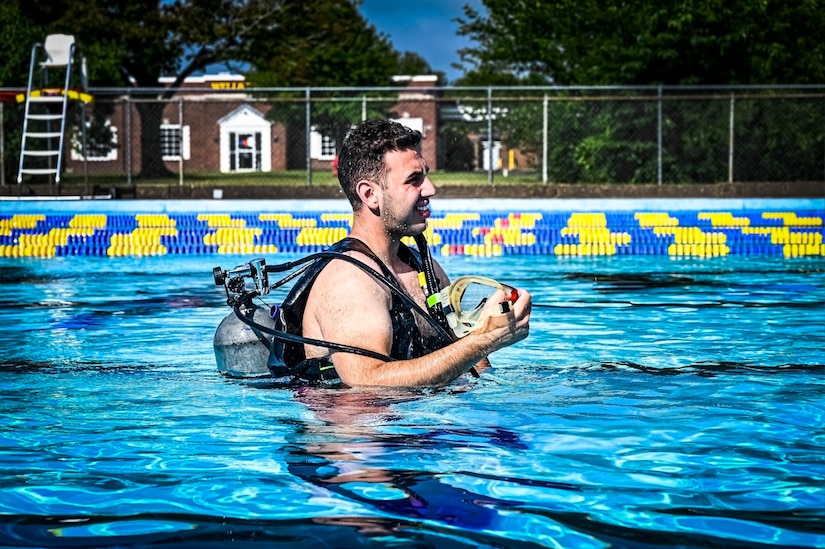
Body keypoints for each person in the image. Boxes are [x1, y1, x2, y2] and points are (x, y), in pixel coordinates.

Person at [272, 119, 531, 388]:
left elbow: (469, 358)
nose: (430, 189)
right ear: (370, 194)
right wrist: (483, 340)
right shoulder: (349, 280)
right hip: (371, 429)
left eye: (426, 175)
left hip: (422, 421)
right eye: (413, 180)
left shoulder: (422, 266)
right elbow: (365, 381)